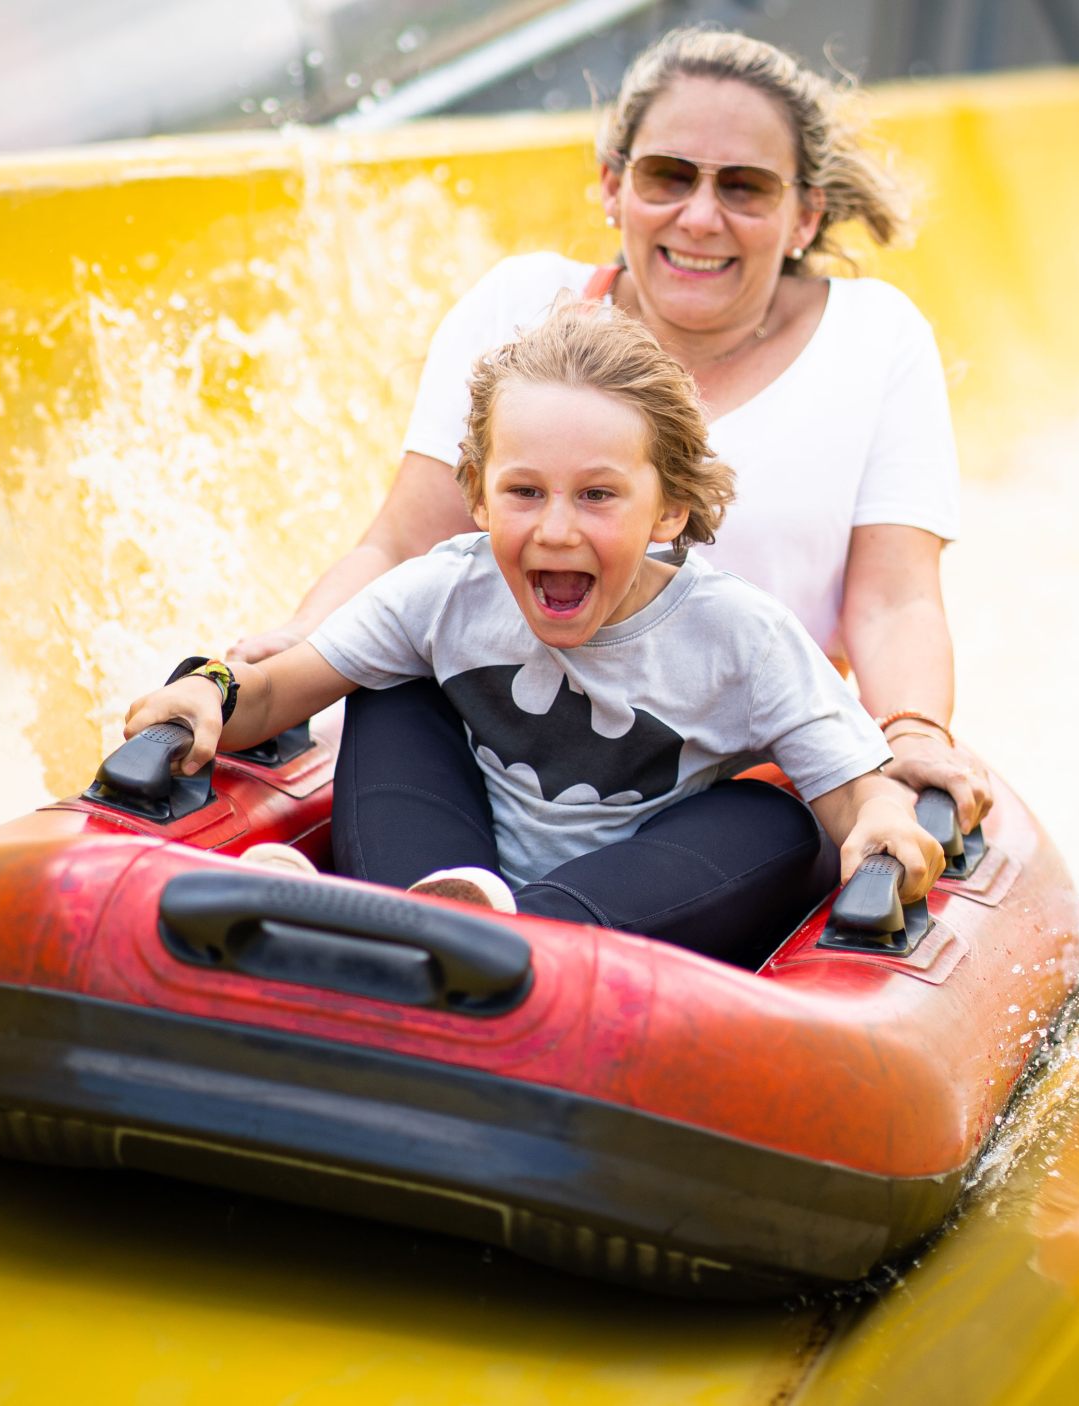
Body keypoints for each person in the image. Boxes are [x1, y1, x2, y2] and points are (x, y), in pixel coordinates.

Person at [231, 26, 994, 834]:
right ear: (612, 186)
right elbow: (403, 548)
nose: (701, 217)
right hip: (492, 743)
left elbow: (894, 600)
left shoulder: (874, 337)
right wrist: (292, 647)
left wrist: (911, 730)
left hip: (729, 785)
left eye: (746, 187)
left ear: (805, 213)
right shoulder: (519, 306)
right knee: (393, 701)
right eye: (668, 176)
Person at [126, 306, 944, 960]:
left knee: (778, 816)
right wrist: (206, 688)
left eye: (597, 495)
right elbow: (272, 690)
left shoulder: (740, 637)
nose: (556, 529)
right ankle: (414, 925)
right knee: (388, 692)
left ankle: (461, 936)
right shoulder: (448, 590)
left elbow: (853, 791)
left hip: (628, 905)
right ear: (478, 497)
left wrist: (879, 819)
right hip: (447, 868)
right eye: (524, 492)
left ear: (670, 508)